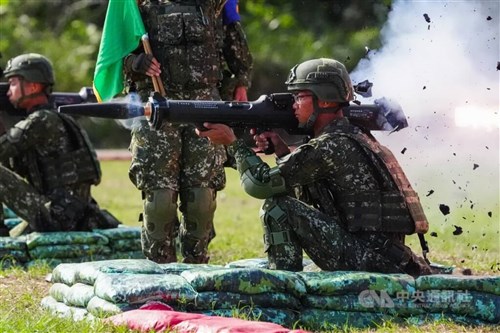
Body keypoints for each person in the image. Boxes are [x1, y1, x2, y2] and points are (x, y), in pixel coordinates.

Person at [197, 58, 433, 276]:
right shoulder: (352, 136)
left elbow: (262, 185)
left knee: (278, 208)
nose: (294, 106)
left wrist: (233, 144)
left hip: (369, 260)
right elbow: (308, 187)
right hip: (383, 256)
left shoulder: (331, 145)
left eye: (300, 97)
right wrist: (281, 151)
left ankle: (284, 288)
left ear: (326, 99)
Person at [123, 0, 253, 263]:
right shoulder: (136, 4)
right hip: (157, 107)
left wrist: (240, 80)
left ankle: (197, 271)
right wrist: (136, 62)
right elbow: (115, 53)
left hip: (205, 106)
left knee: (201, 201)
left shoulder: (215, 3)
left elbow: (233, 40)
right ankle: (160, 275)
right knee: (159, 201)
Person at [0, 53, 119, 237]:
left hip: (56, 216)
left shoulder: (41, 121)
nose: (8, 91)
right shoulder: (57, 117)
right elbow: (11, 163)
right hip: (75, 215)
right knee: (16, 236)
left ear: (33, 86)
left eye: (13, 83)